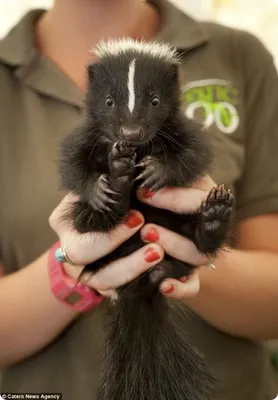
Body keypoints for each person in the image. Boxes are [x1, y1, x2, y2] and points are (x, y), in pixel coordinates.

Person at [0, 0, 278, 399]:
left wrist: (193, 262)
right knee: (93, 205)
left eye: (150, 104)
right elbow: (76, 170)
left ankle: (200, 236)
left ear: (171, 90)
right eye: (113, 105)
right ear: (96, 90)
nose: (130, 128)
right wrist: (73, 265)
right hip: (52, 381)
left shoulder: (238, 54)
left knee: (195, 214)